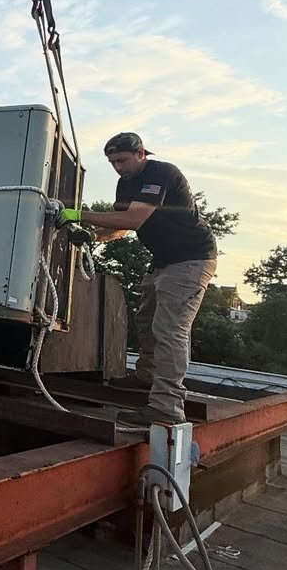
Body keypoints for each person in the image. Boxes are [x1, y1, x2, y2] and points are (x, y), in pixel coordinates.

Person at [57, 132, 217, 423]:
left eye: (122, 160)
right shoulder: (125, 183)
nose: (117, 167)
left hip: (192, 259)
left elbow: (133, 219)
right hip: (164, 261)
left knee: (170, 329)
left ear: (141, 153)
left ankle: (167, 408)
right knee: (147, 320)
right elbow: (121, 228)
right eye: (112, 162)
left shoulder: (162, 173)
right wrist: (93, 235)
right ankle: (146, 378)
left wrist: (78, 214)